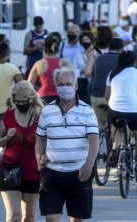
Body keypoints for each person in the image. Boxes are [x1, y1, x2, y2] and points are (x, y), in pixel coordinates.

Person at [35, 67, 99, 222]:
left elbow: (94, 140)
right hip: (52, 172)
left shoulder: (87, 111)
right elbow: (40, 139)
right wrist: (40, 162)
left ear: (76, 85)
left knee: (77, 219)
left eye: (68, 84)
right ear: (56, 86)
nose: (65, 88)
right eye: (61, 84)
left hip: (79, 173)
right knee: (51, 217)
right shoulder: (47, 111)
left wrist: (89, 165)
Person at [0, 80, 43, 222]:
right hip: (10, 168)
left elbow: (48, 142)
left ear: (31, 99)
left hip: (33, 170)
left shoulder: (40, 117)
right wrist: (6, 137)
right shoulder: (8, 116)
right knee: (13, 216)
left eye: (24, 101)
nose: (20, 105)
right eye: (17, 102)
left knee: (28, 217)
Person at [105, 51, 137, 175]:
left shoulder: (112, 74)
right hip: (132, 111)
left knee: (120, 129)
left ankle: (115, 151)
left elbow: (107, 96)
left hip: (114, 110)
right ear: (134, 62)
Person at [28, 34, 71, 105]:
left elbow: (29, 85)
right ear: (58, 48)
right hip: (61, 98)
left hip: (42, 99)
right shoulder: (66, 63)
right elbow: (72, 84)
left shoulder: (39, 64)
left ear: (45, 48)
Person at [91, 38, 124, 130]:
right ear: (122, 49)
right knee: (116, 126)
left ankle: (99, 140)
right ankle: (115, 143)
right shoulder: (123, 60)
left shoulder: (99, 58)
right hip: (114, 98)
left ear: (109, 48)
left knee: (100, 122)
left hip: (96, 96)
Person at [73, 31, 95, 104]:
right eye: (83, 40)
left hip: (93, 81)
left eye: (87, 40)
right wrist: (82, 71)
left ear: (91, 41)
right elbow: (74, 69)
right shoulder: (78, 53)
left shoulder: (96, 52)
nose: (85, 42)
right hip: (82, 81)